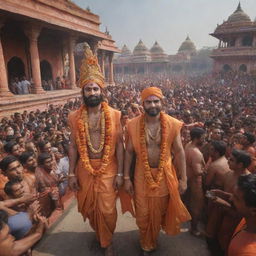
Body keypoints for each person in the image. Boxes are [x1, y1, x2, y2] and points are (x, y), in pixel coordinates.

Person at [68, 44, 124, 256]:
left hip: (109, 168)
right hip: (84, 168)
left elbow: (120, 145)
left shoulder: (115, 114)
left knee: (108, 210)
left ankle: (107, 241)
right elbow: (73, 145)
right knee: (91, 208)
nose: (92, 92)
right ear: (82, 91)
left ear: (102, 90)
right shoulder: (73, 117)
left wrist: (120, 173)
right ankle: (101, 236)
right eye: (88, 89)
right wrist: (71, 172)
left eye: (95, 88)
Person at [124, 87, 190, 255]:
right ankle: (146, 241)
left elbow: (180, 151)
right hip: (141, 175)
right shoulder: (132, 125)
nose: (153, 105)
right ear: (143, 103)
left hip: (164, 174)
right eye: (149, 102)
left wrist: (183, 179)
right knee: (143, 212)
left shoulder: (173, 124)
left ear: (162, 103)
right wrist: (126, 177)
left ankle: (151, 239)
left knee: (159, 211)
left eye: (156, 101)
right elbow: (129, 152)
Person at [228, 174, 256, 256]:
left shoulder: (248, 252)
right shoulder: (249, 219)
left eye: (236, 198)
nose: (231, 199)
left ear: (254, 210)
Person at [185, 127, 205, 236]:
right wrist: (206, 169)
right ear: (197, 138)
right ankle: (194, 229)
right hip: (195, 182)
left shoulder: (188, 145)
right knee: (197, 206)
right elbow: (197, 172)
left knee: (190, 203)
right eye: (203, 137)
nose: (204, 139)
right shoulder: (196, 153)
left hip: (189, 180)